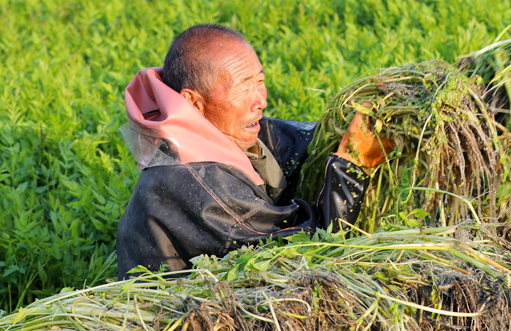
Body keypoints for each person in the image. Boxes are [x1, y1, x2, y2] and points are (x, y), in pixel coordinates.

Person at [116, 23, 388, 278]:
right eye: (244, 85)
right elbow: (314, 249)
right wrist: (353, 162)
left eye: (259, 80)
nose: (262, 99)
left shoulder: (211, 130)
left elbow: (292, 143)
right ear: (193, 101)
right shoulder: (198, 185)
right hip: (185, 314)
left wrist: (345, 125)